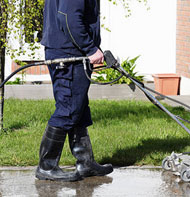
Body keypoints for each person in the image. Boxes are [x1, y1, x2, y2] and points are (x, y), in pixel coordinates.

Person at [36, 0, 113, 181]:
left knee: (78, 107)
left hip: (70, 51)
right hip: (69, 53)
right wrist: (90, 48)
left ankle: (85, 163)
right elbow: (68, 18)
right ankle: (46, 166)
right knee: (68, 109)